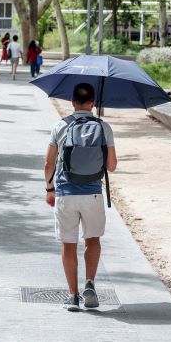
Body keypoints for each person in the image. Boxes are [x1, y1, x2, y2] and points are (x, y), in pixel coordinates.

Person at [44, 83, 117, 312]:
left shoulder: (60, 126)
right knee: (92, 240)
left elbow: (48, 164)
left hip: (66, 193)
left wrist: (49, 189)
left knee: (68, 245)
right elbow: (112, 166)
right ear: (93, 103)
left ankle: (73, 296)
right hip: (93, 193)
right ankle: (90, 284)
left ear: (72, 102)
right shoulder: (103, 127)